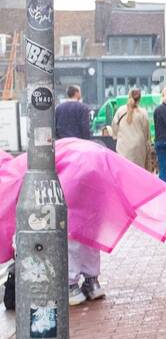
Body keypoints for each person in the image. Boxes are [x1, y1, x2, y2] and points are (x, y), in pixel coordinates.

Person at [54, 86, 106, 305]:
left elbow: (54, 130)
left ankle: (72, 283)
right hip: (83, 160)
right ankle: (92, 281)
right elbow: (86, 132)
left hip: (63, 159)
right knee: (90, 227)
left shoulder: (57, 109)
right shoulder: (83, 108)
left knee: (70, 225)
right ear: (78, 93)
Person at [111, 87, 151, 170]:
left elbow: (114, 127)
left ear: (129, 96)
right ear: (140, 98)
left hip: (123, 146)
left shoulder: (120, 111)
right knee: (138, 172)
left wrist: (116, 136)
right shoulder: (143, 113)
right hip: (139, 148)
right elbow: (146, 132)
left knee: (124, 170)